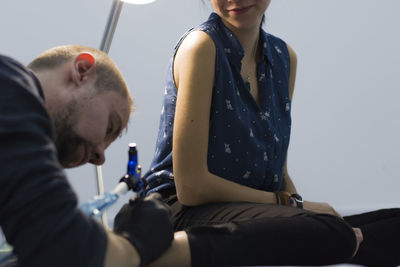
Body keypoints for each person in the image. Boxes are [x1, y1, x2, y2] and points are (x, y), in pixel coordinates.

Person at [144, 1, 400, 266]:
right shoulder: (201, 47)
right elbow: (191, 188)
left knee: (390, 224)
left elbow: (279, 175)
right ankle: (341, 241)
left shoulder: (283, 56)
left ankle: (338, 240)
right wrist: (294, 206)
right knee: (336, 234)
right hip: (181, 212)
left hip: (251, 210)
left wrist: (303, 213)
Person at [0, 45, 184, 267]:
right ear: (82, 70)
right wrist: (136, 243)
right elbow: (64, 245)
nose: (100, 157)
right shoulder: (8, 80)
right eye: (109, 127)